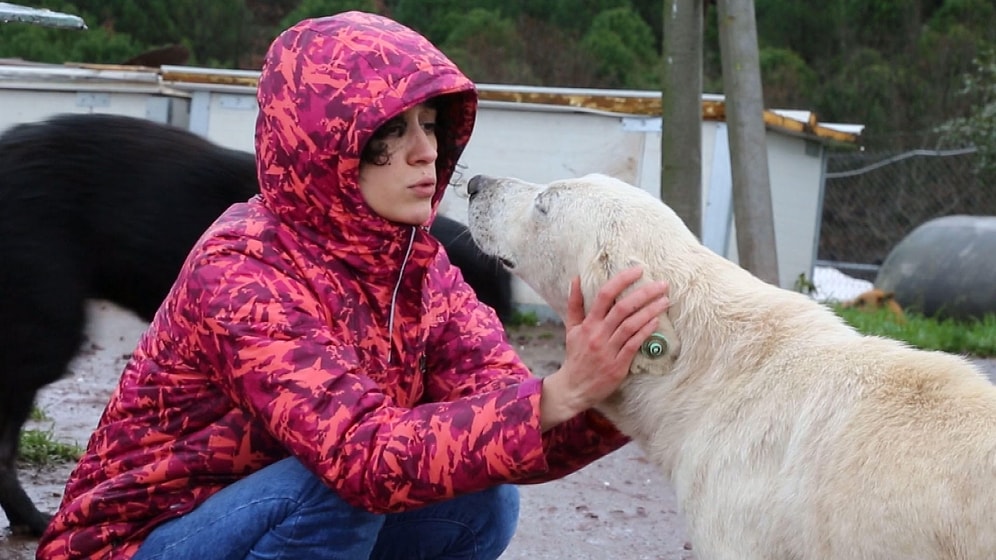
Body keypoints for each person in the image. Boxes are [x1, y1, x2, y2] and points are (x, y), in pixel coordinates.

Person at [37, 11, 670, 560]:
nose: (427, 151)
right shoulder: (242, 269)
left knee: (485, 499)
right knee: (339, 488)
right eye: (393, 131)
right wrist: (558, 393)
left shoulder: (415, 264)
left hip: (274, 518)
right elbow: (362, 458)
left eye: (430, 123)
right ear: (325, 145)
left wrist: (618, 383)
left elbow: (510, 418)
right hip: (142, 541)